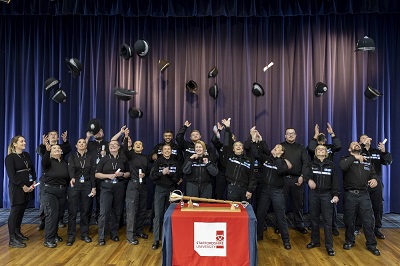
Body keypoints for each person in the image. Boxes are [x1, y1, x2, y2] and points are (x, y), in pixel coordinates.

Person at [339, 142, 380, 256]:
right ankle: (349, 241)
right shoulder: (345, 159)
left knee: (368, 220)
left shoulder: (366, 161)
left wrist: (375, 180)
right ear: (349, 148)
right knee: (349, 220)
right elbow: (343, 167)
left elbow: (374, 174)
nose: (356, 145)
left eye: (358, 144)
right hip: (350, 194)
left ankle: (371, 244)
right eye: (353, 144)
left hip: (364, 195)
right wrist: (354, 157)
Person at [354, 135, 392, 239]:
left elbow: (388, 162)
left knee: (377, 206)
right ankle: (357, 227)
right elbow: (353, 157)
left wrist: (384, 151)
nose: (365, 139)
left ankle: (377, 228)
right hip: (361, 183)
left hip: (376, 183)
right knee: (359, 206)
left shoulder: (377, 151)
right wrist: (361, 145)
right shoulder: (358, 152)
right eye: (362, 138)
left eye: (367, 138)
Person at [307, 123, 342, 236]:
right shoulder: (315, 149)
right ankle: (314, 231)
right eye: (319, 138)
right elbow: (310, 148)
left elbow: (339, 146)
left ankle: (334, 227)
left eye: (323, 137)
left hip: (328, 175)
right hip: (316, 177)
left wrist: (332, 133)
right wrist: (315, 135)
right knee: (315, 210)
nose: (321, 139)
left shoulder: (330, 148)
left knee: (331, 209)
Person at [256, 143, 292, 250]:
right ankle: (259, 235)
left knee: (280, 216)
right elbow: (256, 154)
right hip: (265, 190)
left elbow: (281, 169)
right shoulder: (267, 160)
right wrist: (257, 140)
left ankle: (286, 240)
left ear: (282, 152)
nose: (275, 148)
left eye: (278, 148)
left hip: (277, 191)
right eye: (275, 147)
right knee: (260, 213)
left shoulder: (283, 162)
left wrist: (276, 158)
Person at [304, 145, 339, 256]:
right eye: (318, 149)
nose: (320, 150)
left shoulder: (331, 165)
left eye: (322, 149)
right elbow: (306, 175)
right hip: (314, 194)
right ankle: (315, 241)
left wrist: (336, 195)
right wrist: (309, 180)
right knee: (314, 219)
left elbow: (335, 182)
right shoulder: (310, 164)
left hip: (326, 195)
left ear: (326, 153)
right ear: (315, 152)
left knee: (327, 221)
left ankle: (329, 246)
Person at [95, 139, 130, 246]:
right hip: (106, 186)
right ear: (109, 147)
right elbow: (96, 174)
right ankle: (101, 236)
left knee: (117, 211)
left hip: (119, 186)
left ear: (119, 147)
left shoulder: (123, 159)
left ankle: (114, 234)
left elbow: (129, 173)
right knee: (104, 212)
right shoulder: (104, 159)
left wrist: (122, 174)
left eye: (115, 144)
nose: (113, 146)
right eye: (111, 145)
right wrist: (107, 176)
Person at [120, 127, 151, 245]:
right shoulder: (130, 155)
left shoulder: (145, 158)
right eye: (136, 143)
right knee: (132, 211)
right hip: (133, 184)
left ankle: (138, 231)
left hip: (143, 185)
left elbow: (148, 171)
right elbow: (124, 149)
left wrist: (145, 174)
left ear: (142, 147)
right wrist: (126, 136)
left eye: (140, 144)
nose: (138, 145)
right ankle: (130, 236)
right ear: (133, 147)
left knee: (142, 210)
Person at [5, 135, 36, 248]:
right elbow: (12, 175)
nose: (24, 143)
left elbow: (32, 169)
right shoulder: (10, 157)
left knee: (22, 210)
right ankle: (12, 238)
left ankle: (17, 232)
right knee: (15, 211)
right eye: (22, 141)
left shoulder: (26, 155)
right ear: (15, 144)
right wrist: (22, 185)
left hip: (28, 186)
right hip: (17, 188)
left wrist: (33, 181)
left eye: (24, 141)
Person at [36, 130, 71, 230]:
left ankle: (59, 220)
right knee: (45, 203)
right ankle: (43, 221)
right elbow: (39, 151)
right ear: (48, 137)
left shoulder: (60, 147)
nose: (53, 136)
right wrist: (44, 145)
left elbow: (68, 148)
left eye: (55, 134)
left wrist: (65, 141)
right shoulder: (44, 147)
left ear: (58, 137)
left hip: (60, 180)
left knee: (60, 204)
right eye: (51, 134)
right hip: (47, 180)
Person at [150, 144, 182, 250]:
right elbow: (152, 176)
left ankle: (170, 238)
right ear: (162, 152)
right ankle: (156, 240)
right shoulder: (157, 162)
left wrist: (169, 175)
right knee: (158, 215)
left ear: (171, 151)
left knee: (171, 215)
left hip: (172, 190)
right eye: (165, 149)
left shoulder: (176, 162)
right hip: (160, 189)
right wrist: (162, 173)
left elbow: (178, 177)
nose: (167, 151)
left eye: (169, 149)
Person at [66, 138, 96, 246]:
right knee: (72, 211)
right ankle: (71, 236)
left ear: (86, 145)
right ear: (76, 145)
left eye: (83, 142)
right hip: (75, 184)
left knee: (85, 211)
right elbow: (71, 169)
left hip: (87, 185)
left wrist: (93, 187)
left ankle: (84, 234)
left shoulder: (90, 158)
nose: (82, 144)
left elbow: (92, 173)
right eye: (79, 142)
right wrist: (72, 177)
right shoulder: (72, 157)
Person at [281, 128, 310, 234]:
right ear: (285, 135)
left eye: (292, 133)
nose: (290, 135)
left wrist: (302, 176)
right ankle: (280, 225)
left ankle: (299, 224)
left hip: (297, 179)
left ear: (296, 135)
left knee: (298, 204)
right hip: (282, 179)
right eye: (288, 134)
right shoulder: (280, 146)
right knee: (281, 204)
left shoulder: (301, 148)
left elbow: (306, 163)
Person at [220, 119, 256, 202]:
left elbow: (252, 177)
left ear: (243, 149)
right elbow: (227, 143)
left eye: (240, 145)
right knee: (233, 211)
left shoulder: (248, 160)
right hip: (232, 188)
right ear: (233, 149)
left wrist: (250, 190)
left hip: (245, 189)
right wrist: (227, 128)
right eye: (236, 145)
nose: (238, 146)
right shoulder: (230, 157)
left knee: (245, 211)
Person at [41, 144, 69, 248]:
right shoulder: (48, 162)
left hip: (62, 191)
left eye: (58, 148)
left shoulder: (65, 163)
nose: (57, 149)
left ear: (61, 151)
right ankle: (48, 239)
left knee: (58, 215)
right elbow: (44, 161)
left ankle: (55, 234)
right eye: (54, 148)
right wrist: (47, 152)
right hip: (50, 191)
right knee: (51, 214)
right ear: (51, 152)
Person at [244, 126, 271, 211]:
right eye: (254, 134)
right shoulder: (249, 143)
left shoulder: (261, 144)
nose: (256, 135)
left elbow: (268, 153)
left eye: (256, 134)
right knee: (249, 196)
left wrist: (261, 140)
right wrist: (251, 137)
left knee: (260, 198)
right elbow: (246, 147)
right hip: (250, 174)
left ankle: (258, 217)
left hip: (260, 173)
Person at [86, 125, 109, 223]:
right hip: (90, 175)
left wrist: (106, 154)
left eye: (100, 131)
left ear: (103, 133)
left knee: (101, 199)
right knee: (88, 199)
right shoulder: (90, 144)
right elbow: (82, 148)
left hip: (102, 175)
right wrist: (87, 137)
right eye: (96, 132)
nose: (98, 133)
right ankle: (87, 220)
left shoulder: (108, 144)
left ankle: (99, 219)